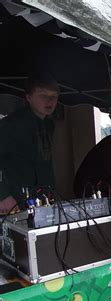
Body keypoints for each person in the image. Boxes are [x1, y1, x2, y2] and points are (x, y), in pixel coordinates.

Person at [0, 74, 59, 215]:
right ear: (28, 97)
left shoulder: (49, 125)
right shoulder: (11, 125)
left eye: (54, 96)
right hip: (13, 199)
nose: (49, 100)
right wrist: (3, 195)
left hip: (42, 198)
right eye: (42, 95)